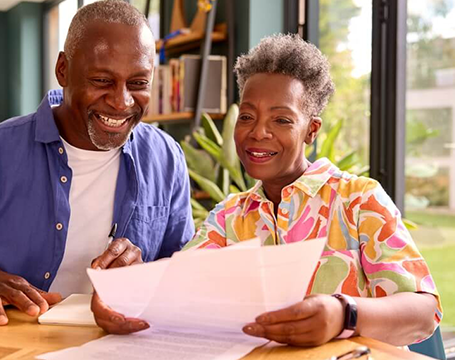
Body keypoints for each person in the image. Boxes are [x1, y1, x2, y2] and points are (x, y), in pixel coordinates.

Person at [92, 34, 442, 347]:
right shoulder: (229, 217)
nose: (258, 132)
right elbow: (178, 296)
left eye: (282, 120)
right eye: (247, 116)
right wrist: (128, 295)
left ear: (311, 130)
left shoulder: (359, 201)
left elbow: (425, 312)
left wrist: (344, 314)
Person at [0, 0, 194, 327]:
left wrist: (144, 279)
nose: (122, 101)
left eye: (138, 83)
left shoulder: (166, 157)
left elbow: (181, 278)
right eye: (102, 81)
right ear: (63, 70)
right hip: (11, 346)